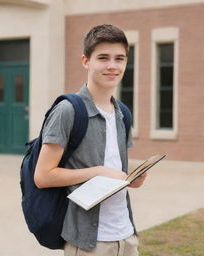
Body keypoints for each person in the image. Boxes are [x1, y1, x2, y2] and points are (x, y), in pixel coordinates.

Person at [34, 24, 147, 256]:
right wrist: (97, 172)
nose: (112, 66)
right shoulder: (67, 111)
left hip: (126, 236)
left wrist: (129, 178)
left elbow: (112, 169)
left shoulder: (122, 113)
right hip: (89, 243)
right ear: (86, 61)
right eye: (103, 58)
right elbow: (43, 176)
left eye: (119, 58)